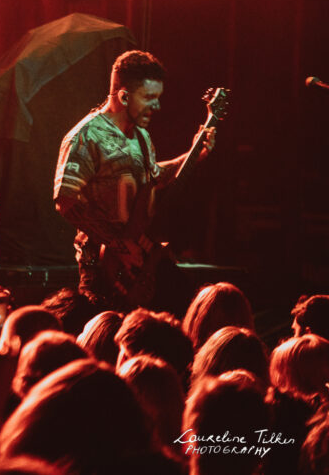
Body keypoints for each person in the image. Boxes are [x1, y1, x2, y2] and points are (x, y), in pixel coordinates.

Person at [54, 50, 215, 312]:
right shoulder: (86, 136)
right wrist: (118, 246)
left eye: (158, 97)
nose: (157, 106)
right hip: (103, 270)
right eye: (149, 97)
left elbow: (153, 177)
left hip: (141, 261)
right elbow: (66, 201)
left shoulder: (141, 135)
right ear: (124, 96)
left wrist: (194, 155)